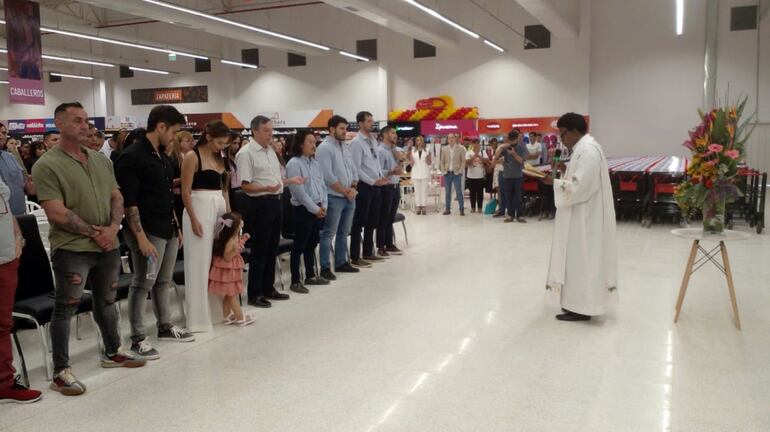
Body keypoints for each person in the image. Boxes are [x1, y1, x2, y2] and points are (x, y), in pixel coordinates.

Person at [32, 102, 146, 396]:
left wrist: (112, 229)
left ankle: (112, 351)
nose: (85, 126)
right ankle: (61, 371)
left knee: (107, 300)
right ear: (59, 124)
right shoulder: (46, 165)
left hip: (107, 243)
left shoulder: (100, 160)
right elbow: (56, 212)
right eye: (76, 121)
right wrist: (95, 233)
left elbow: (116, 197)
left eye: (86, 120)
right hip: (72, 248)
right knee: (66, 307)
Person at [115, 105, 195, 360]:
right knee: (143, 282)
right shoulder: (132, 157)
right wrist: (139, 238)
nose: (174, 137)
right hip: (146, 231)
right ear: (160, 126)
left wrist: (177, 227)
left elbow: (165, 196)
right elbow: (130, 202)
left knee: (164, 280)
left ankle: (165, 326)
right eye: (173, 131)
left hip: (167, 228)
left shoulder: (162, 156)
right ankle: (138, 337)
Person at [541, 113, 617, 322]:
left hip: (585, 219)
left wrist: (554, 183)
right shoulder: (582, 149)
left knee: (582, 259)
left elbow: (580, 187)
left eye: (563, 134)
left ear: (574, 131)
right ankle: (575, 303)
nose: (561, 140)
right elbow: (579, 178)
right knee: (575, 260)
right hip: (579, 215)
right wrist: (565, 173)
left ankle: (584, 307)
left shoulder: (588, 151)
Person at [237, 116, 297, 308]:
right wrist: (266, 189)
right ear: (254, 131)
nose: (270, 134)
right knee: (260, 250)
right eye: (266, 130)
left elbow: (275, 179)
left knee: (273, 248)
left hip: (275, 201)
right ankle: (255, 293)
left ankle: (268, 287)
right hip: (259, 204)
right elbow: (245, 186)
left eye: (271, 130)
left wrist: (285, 184)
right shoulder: (246, 153)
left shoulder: (270, 150)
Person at [181, 120, 231, 332]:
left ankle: (218, 312)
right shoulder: (193, 156)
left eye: (225, 144)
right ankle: (199, 319)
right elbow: (185, 190)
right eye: (219, 142)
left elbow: (225, 189)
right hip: (199, 207)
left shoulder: (220, 157)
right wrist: (193, 219)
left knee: (217, 261)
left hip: (219, 206)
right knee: (199, 264)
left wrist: (231, 217)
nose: (222, 147)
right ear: (209, 137)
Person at [0, 177, 43, 404]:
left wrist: (17, 236)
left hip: (6, 257)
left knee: (3, 324)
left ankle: (4, 382)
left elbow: (4, 205)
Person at [285, 130, 330, 293]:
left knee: (312, 244)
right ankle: (295, 280)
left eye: (314, 141)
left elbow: (323, 186)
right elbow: (299, 192)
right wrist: (315, 208)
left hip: (318, 208)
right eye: (310, 142)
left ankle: (311, 275)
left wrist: (324, 205)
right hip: (303, 210)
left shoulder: (315, 163)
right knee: (299, 245)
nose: (314, 145)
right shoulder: (294, 163)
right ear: (300, 144)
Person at [315, 115, 359, 280]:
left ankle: (341, 262)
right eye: (341, 128)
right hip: (334, 197)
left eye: (345, 128)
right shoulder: (324, 148)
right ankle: (325, 266)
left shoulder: (345, 147)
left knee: (344, 232)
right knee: (329, 233)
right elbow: (327, 176)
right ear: (331, 129)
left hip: (349, 196)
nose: (344, 131)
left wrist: (353, 187)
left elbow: (353, 170)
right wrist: (345, 191)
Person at [348, 111, 389, 268]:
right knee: (359, 222)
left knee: (373, 221)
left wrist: (380, 177)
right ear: (360, 123)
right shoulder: (356, 143)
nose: (372, 123)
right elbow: (356, 168)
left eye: (372, 121)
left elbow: (375, 162)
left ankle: (368, 252)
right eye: (368, 121)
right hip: (365, 186)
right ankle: (355, 257)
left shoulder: (373, 140)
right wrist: (372, 181)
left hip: (377, 185)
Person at [209, 212, 255, 327]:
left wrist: (242, 240)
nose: (241, 225)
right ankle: (240, 317)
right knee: (231, 295)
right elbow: (227, 257)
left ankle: (226, 316)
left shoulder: (233, 238)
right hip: (227, 271)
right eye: (239, 224)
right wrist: (237, 248)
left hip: (228, 270)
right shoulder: (230, 241)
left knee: (227, 294)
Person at [376, 126, 404, 257]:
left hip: (395, 186)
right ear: (385, 134)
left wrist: (400, 159)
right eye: (393, 133)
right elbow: (379, 171)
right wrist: (391, 172)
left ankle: (389, 243)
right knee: (383, 217)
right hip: (385, 187)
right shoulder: (380, 151)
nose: (395, 135)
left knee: (390, 217)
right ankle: (381, 246)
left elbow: (401, 168)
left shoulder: (396, 150)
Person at [493, 130, 528, 223]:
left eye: (513, 140)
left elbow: (521, 161)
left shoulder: (522, 148)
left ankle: (519, 215)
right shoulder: (505, 147)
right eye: (510, 140)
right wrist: (501, 147)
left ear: (517, 139)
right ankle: (510, 215)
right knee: (508, 196)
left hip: (518, 176)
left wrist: (513, 153)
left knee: (518, 197)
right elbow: (496, 157)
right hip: (507, 176)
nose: (511, 142)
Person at [0, 123, 34, 215]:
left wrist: (30, 184)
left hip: (18, 213)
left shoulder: (10, 157)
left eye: (3, 133)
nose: (1, 135)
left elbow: (25, 184)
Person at [439, 133, 466, 216]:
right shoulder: (444, 149)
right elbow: (441, 161)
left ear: (455, 139)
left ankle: (461, 209)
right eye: (449, 138)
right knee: (447, 192)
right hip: (447, 173)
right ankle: (447, 209)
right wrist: (443, 170)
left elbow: (463, 161)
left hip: (456, 174)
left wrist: (460, 171)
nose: (451, 139)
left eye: (452, 138)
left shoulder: (461, 148)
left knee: (459, 192)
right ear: (447, 140)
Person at [408, 135, 432, 215]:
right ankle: (418, 206)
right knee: (417, 191)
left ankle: (424, 206)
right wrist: (409, 157)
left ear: (423, 141)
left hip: (425, 172)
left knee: (424, 191)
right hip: (415, 173)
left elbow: (429, 163)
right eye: (418, 140)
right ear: (416, 142)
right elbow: (411, 164)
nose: (419, 142)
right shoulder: (412, 151)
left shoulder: (427, 150)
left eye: (421, 140)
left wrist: (428, 159)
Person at [466, 139, 489, 213]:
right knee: (472, 193)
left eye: (478, 143)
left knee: (480, 193)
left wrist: (478, 155)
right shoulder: (468, 152)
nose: (476, 145)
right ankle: (473, 208)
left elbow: (486, 160)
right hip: (471, 176)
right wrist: (474, 156)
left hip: (480, 176)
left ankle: (479, 208)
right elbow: (467, 163)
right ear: (472, 144)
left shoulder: (483, 152)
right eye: (474, 143)